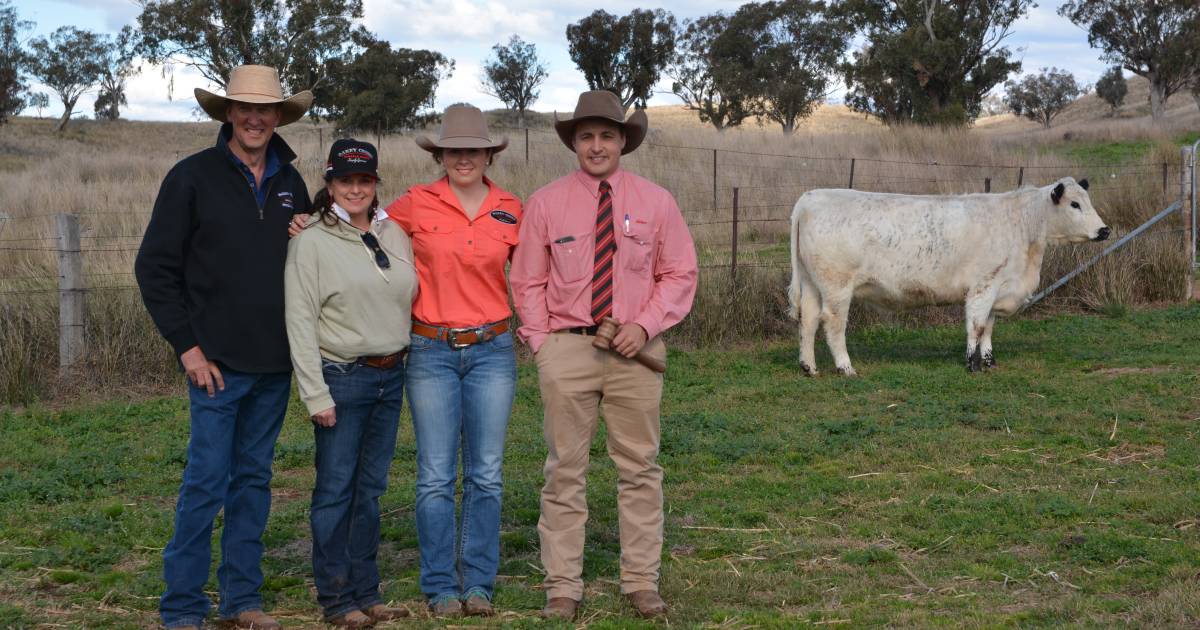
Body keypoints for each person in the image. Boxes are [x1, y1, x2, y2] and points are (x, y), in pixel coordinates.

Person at [509, 90, 698, 621]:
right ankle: (562, 585)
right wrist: (543, 345)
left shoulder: (657, 201)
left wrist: (645, 325)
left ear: (623, 142)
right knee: (563, 470)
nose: (597, 146)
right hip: (568, 349)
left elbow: (680, 273)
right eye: (587, 136)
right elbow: (527, 280)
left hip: (636, 353)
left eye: (607, 136)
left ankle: (641, 580)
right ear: (574, 142)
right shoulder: (546, 203)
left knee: (639, 467)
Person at [135, 65, 312, 630]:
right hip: (213, 366)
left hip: (274, 363)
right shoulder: (191, 177)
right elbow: (155, 270)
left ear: (280, 116)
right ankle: (183, 607)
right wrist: (188, 348)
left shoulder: (293, 184)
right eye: (244, 108)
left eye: (266, 109)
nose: (256, 118)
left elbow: (306, 268)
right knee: (206, 481)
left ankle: (241, 602)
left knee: (254, 482)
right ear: (227, 114)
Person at [387, 105, 522, 617]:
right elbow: (358, 229)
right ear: (440, 154)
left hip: (492, 350)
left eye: (473, 150)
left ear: (489, 154)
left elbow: (533, 272)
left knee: (486, 473)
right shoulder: (414, 204)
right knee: (436, 474)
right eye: (453, 150)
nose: (463, 158)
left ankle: (479, 584)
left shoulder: (511, 207)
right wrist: (309, 219)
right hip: (430, 351)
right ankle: (441, 585)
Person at [284, 139, 417, 628]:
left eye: (365, 180)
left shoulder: (393, 232)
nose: (356, 189)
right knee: (336, 490)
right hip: (343, 376)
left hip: (390, 374)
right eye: (346, 180)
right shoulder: (311, 240)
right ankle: (337, 599)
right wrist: (315, 392)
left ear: (375, 184)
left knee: (371, 490)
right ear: (330, 183)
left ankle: (368, 590)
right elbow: (299, 321)